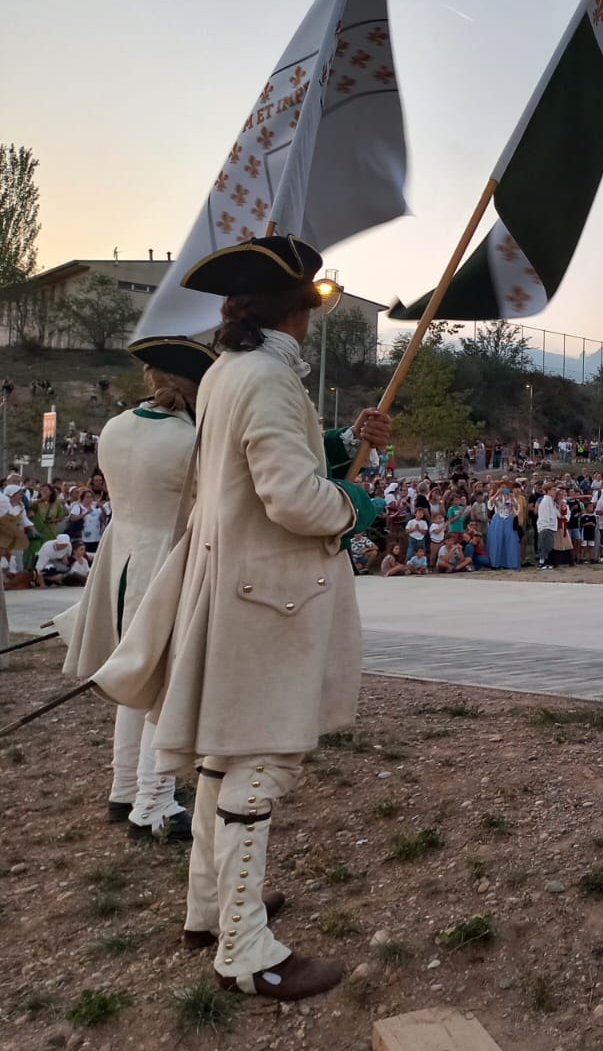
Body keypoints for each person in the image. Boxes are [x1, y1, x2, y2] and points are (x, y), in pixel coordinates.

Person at [91, 235, 388, 1000]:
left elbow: (267, 460)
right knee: (260, 763)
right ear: (299, 307)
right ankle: (246, 950)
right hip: (267, 595)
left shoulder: (232, 371)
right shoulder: (264, 378)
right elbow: (289, 496)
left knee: (225, 759)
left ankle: (211, 909)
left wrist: (346, 444)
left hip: (244, 588)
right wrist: (353, 508)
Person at [59, 335, 217, 842]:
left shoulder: (114, 426)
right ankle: (154, 804)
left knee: (134, 681)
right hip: (165, 561)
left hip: (121, 556)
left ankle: (124, 787)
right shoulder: (189, 439)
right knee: (161, 686)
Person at [486, 482, 520, 569]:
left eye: (506, 487)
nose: (504, 489)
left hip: (508, 518)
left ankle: (510, 563)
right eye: (502, 487)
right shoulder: (496, 497)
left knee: (510, 540)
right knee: (497, 540)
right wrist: (497, 494)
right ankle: (495, 563)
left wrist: (512, 498)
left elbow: (517, 508)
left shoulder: (510, 498)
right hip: (498, 518)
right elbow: (490, 506)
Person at [534, 482, 561, 569]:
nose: (555, 491)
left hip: (551, 526)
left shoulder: (551, 500)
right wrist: (547, 525)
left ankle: (546, 562)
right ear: (548, 491)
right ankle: (541, 563)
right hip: (546, 526)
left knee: (548, 545)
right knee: (544, 545)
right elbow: (545, 515)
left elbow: (556, 513)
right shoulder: (545, 501)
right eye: (553, 490)